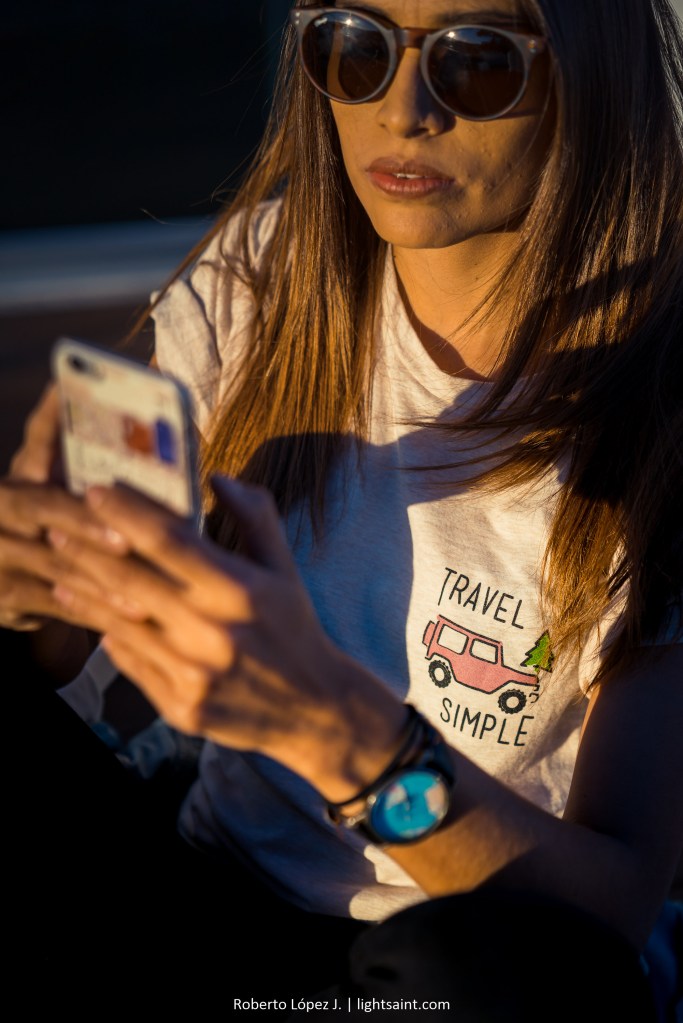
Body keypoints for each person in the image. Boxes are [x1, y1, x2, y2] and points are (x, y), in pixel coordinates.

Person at [4, 0, 683, 1018]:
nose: (402, 110)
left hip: (456, 951)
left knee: (472, 975)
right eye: (353, 45)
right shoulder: (264, 280)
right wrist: (40, 603)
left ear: (595, 69)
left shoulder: (659, 408)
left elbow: (610, 912)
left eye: (476, 59)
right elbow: (81, 659)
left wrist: (337, 730)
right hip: (209, 886)